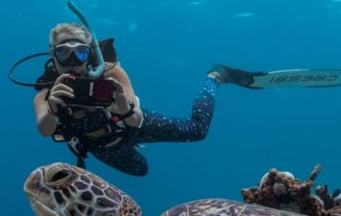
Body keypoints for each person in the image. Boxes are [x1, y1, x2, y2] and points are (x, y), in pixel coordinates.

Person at [32, 22, 258, 176]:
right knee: (141, 170)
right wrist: (52, 107)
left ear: (90, 54)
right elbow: (44, 129)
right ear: (52, 55)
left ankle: (215, 76)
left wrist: (125, 110)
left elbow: (136, 120)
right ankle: (142, 147)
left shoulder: (110, 73)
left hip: (130, 128)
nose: (73, 61)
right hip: (102, 147)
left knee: (198, 130)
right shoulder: (47, 91)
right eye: (63, 53)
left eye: (80, 52)